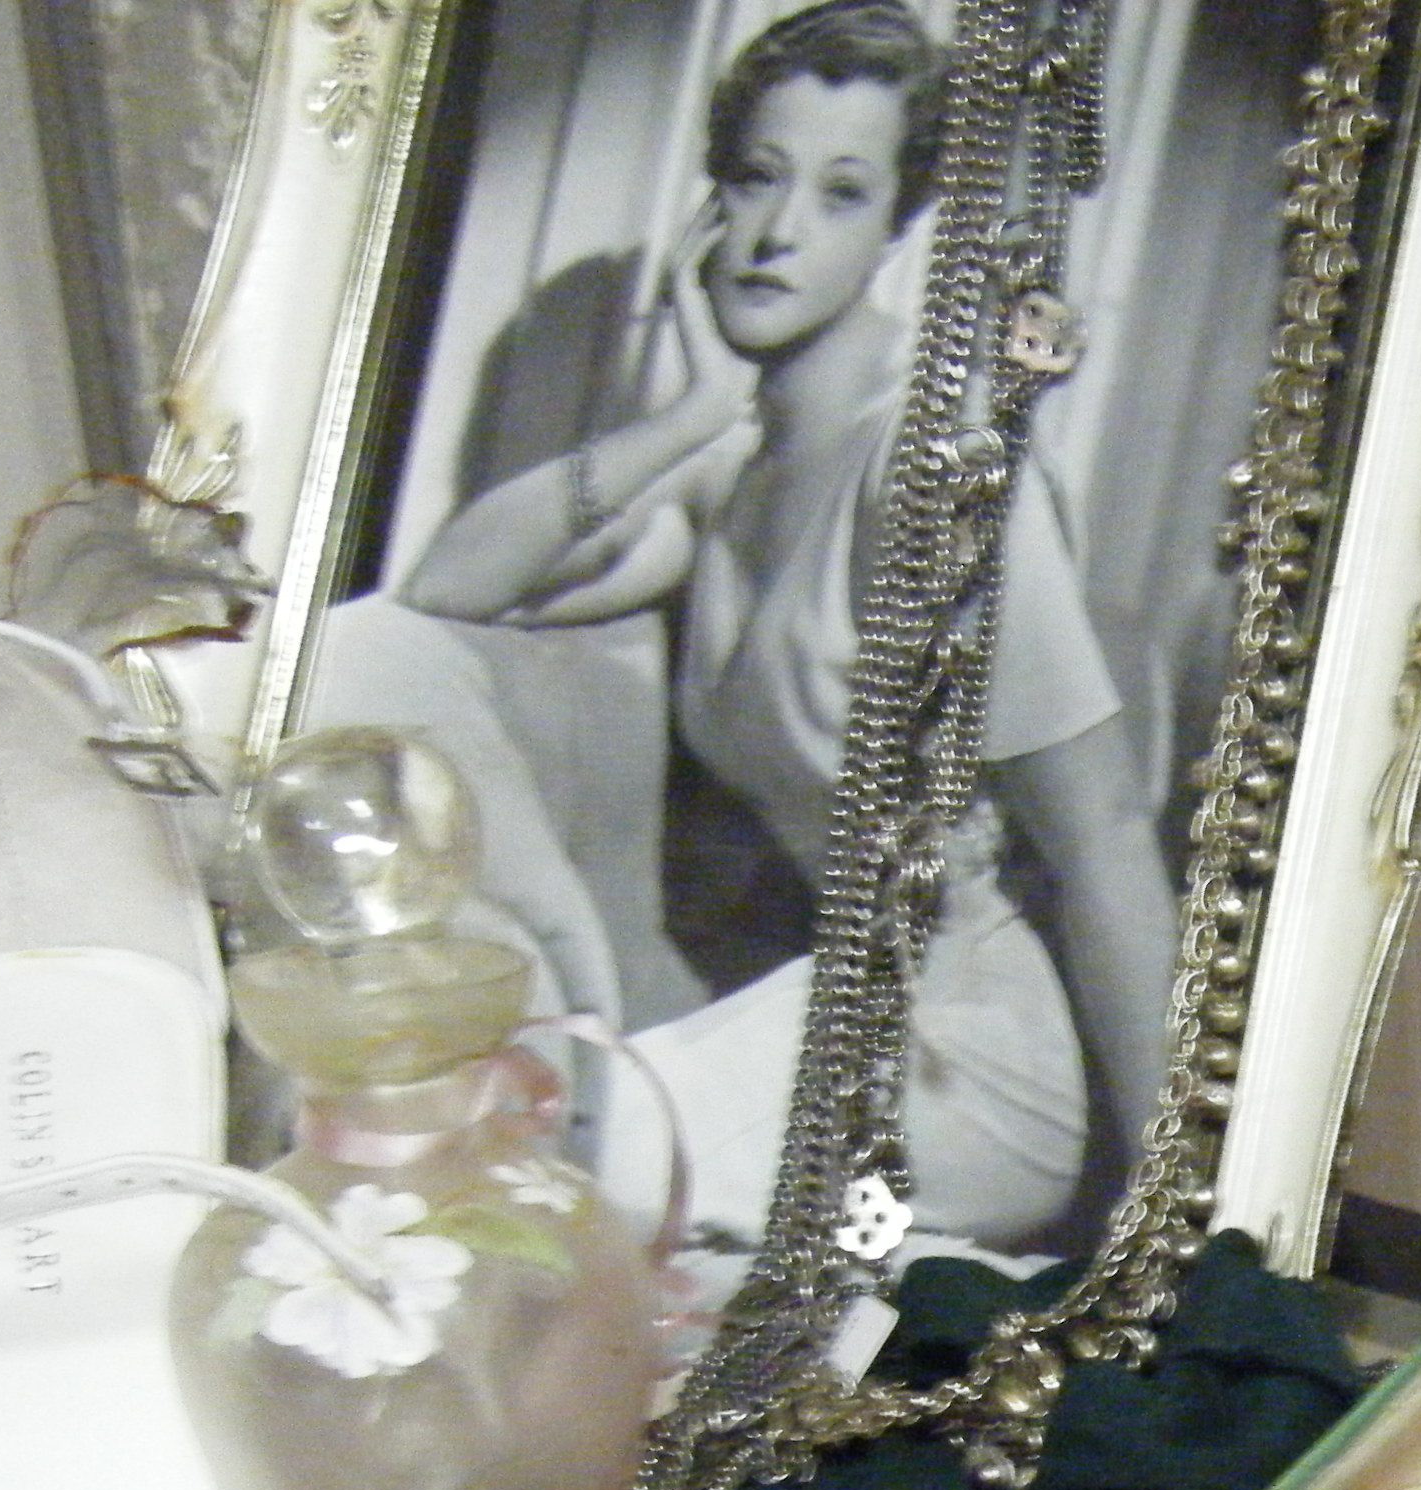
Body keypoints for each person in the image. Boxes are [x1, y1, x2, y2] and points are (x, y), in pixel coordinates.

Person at [401, 0, 1175, 1248]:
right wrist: (691, 413)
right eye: (760, 178)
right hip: (831, 1011)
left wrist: (1183, 1210)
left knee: (535, 1168)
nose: (778, 233)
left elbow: (1104, 835)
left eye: (841, 193)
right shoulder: (731, 470)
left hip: (977, 1064)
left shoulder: (935, 467)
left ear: (895, 225)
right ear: (713, 200)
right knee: (484, 1134)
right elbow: (446, 591)